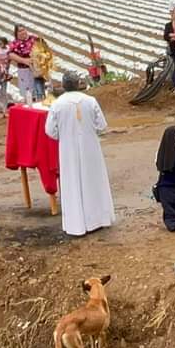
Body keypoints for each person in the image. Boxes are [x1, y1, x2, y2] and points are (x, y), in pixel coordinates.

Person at [44, 71, 116, 237]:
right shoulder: (90, 101)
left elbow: (50, 131)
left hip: (68, 150)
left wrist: (64, 135)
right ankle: (98, 219)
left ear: (63, 86)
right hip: (90, 147)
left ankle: (77, 223)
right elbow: (101, 125)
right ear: (78, 84)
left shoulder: (58, 104)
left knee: (73, 183)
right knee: (93, 181)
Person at [9, 25, 38, 103]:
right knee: (28, 94)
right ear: (16, 33)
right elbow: (11, 55)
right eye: (20, 31)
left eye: (23, 30)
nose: (22, 32)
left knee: (39, 91)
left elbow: (43, 48)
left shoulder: (33, 39)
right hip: (24, 71)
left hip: (37, 69)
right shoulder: (14, 43)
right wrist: (24, 60)